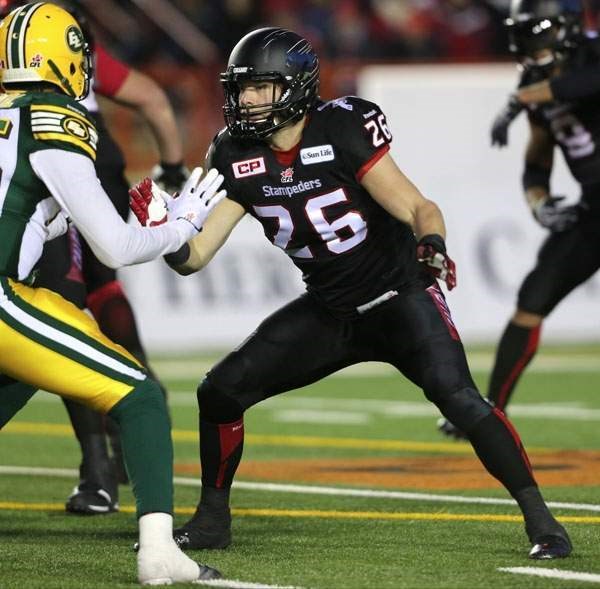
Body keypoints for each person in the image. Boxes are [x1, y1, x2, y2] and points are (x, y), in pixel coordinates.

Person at [130, 26, 572, 559]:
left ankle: (543, 522)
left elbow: (418, 207)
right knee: (219, 391)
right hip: (331, 309)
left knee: (460, 400)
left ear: (294, 87)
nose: (244, 99)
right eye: (240, 88)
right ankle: (211, 522)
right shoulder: (233, 152)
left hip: (398, 296)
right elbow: (195, 257)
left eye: (258, 87)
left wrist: (431, 243)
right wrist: (166, 237)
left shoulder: (340, 128)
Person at [0, 3, 224, 584]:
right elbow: (116, 249)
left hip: (12, 289)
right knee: (140, 397)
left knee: (30, 360)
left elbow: (24, 214)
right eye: (78, 54)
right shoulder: (54, 116)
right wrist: (182, 223)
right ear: (58, 57)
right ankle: (159, 553)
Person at [438, 0, 600, 438]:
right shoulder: (534, 83)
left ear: (564, 28)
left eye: (539, 33)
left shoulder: (588, 55)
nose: (532, 45)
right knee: (532, 300)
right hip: (593, 210)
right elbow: (537, 160)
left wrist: (519, 98)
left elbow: (588, 83)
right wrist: (538, 202)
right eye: (525, 34)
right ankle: (489, 413)